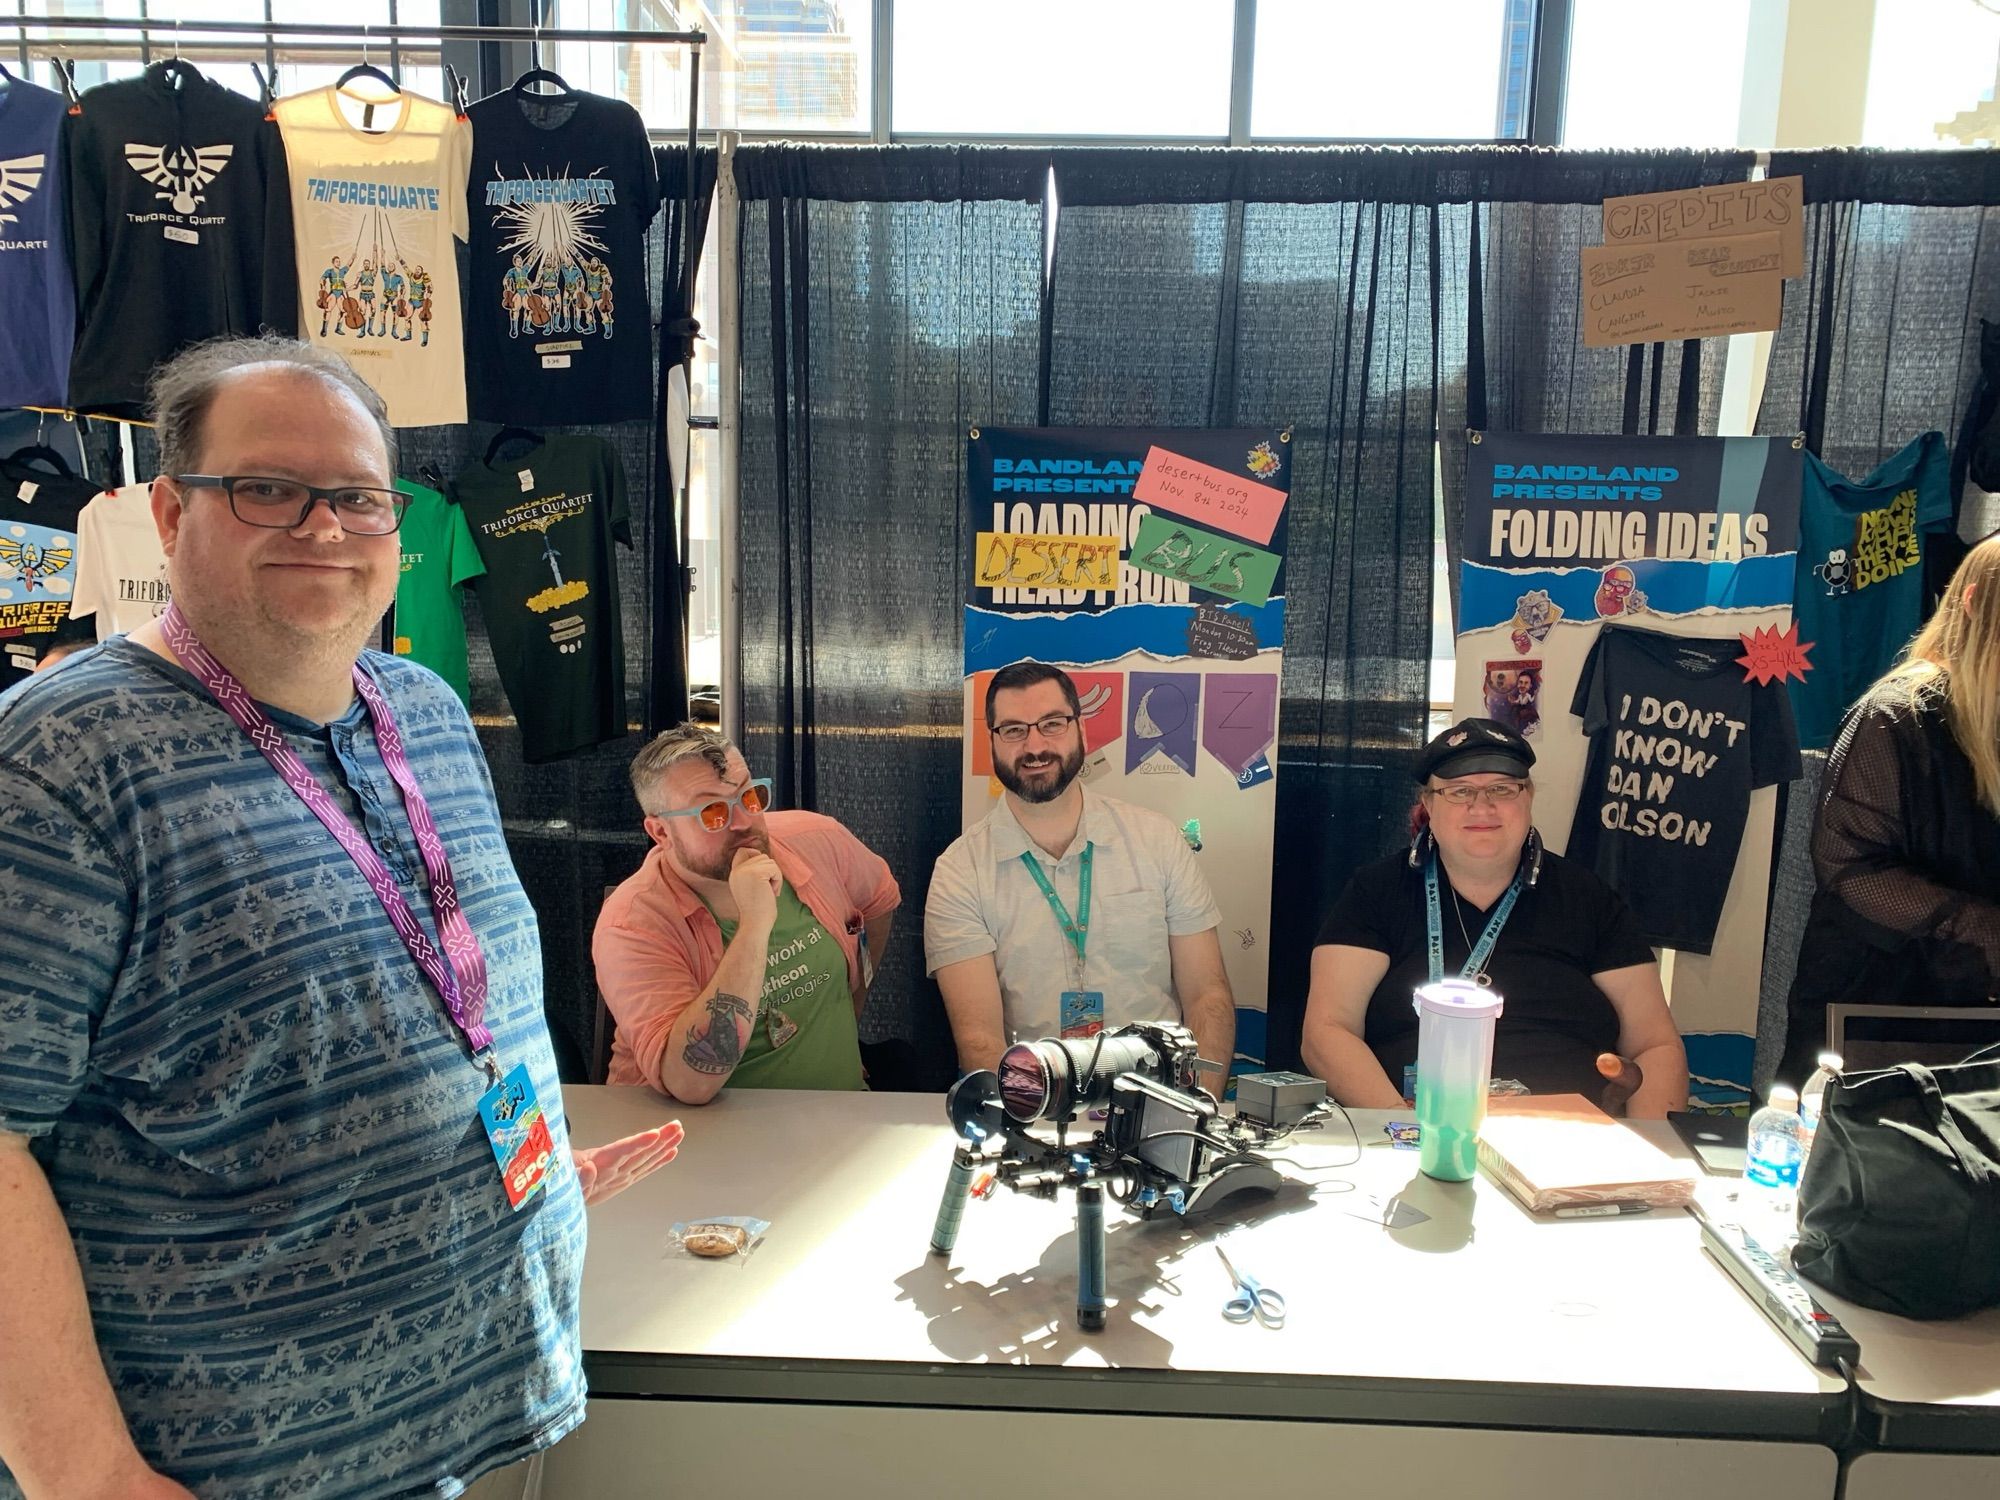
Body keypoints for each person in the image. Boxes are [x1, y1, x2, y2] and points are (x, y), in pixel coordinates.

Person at [0, 335, 681, 1500]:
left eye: (360, 498)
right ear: (170, 512)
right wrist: (85, 1473)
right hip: (225, 1469)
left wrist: (513, 1161)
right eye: (267, 488)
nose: (324, 528)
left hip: (472, 1416)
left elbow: (409, 1000)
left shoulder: (424, 711)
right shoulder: (57, 761)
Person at [1302, 717, 1687, 1116]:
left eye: (1502, 789)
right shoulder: (1375, 891)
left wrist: (1654, 1150)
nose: (1481, 806)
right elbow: (1326, 1032)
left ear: (1529, 798)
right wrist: (1409, 1127)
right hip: (1412, 1126)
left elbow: (1654, 1045)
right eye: (1459, 791)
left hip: (1570, 1137)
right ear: (1429, 805)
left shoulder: (1589, 898)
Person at [924, 660, 1236, 1092]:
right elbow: (980, 1041)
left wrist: (1195, 1115)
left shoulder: (1158, 840)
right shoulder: (959, 872)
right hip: (1035, 1112)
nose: (1035, 746)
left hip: (1159, 1108)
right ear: (992, 742)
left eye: (1052, 724)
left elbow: (1208, 997)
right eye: (1014, 730)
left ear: (1082, 731)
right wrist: (1036, 1134)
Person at [1779, 536, 2000, 1082]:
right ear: (1972, 603)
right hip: (1885, 1007)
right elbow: (1847, 865)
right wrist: (1982, 927)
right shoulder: (1895, 715)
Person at [594, 722, 901, 1102]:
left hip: (839, 1116)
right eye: (712, 812)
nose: (744, 823)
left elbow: (881, 899)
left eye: (750, 797)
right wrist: (755, 924)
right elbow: (692, 1083)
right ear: (661, 833)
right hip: (696, 1138)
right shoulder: (631, 923)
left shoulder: (816, 839)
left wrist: (851, 1006)